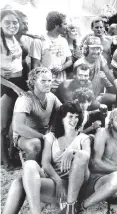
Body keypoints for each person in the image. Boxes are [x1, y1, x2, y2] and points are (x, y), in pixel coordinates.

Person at [79, 107, 117, 212]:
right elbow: (95, 164)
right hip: (89, 178)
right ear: (111, 122)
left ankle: (82, 206)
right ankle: (80, 205)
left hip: (105, 181)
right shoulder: (103, 133)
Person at [12, 67, 62, 162]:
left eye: (49, 81)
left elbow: (64, 111)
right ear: (33, 81)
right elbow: (17, 127)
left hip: (45, 134)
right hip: (24, 136)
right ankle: (29, 171)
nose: (48, 84)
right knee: (36, 144)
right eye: (43, 81)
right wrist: (44, 137)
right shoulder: (25, 99)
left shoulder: (51, 96)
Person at [1, 9, 28, 171]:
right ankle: (5, 161)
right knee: (3, 127)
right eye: (7, 22)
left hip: (19, 82)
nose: (12, 25)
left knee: (15, 124)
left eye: (15, 22)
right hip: (5, 85)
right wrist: (14, 87)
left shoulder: (15, 39)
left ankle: (12, 155)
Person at [30, 11, 73, 91]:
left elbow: (70, 60)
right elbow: (35, 66)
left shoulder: (63, 40)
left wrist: (61, 67)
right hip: (46, 85)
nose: (67, 27)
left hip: (62, 85)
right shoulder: (39, 41)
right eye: (65, 24)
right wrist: (37, 85)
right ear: (56, 25)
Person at [74, 36, 116, 107]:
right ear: (86, 49)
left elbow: (108, 73)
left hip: (96, 95)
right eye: (93, 48)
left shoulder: (100, 57)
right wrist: (94, 100)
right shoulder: (79, 64)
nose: (96, 51)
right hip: (85, 100)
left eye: (98, 48)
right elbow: (79, 89)